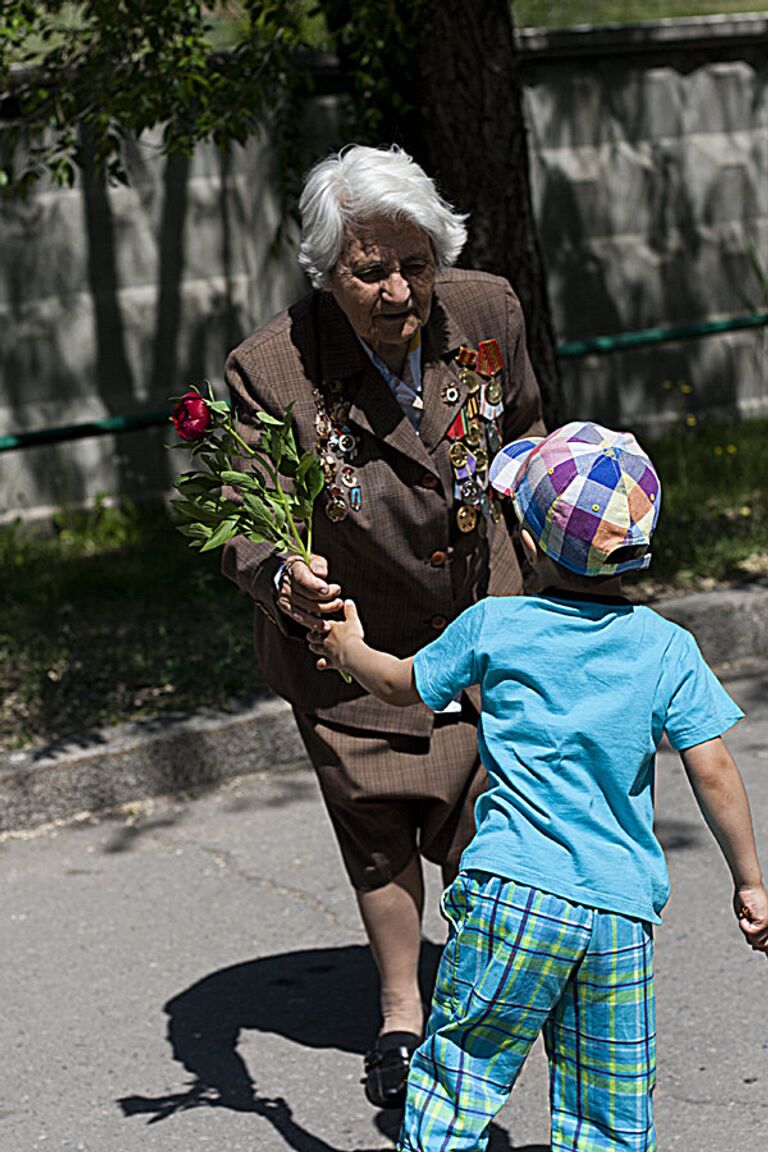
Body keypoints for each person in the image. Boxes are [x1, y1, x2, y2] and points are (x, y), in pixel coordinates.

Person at [307, 420, 768, 1151]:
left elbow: (400, 688)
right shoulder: (667, 649)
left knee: (461, 1073)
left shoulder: (496, 624)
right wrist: (750, 881)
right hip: (617, 914)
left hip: (513, 895)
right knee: (608, 1109)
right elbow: (712, 767)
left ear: (525, 541)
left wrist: (346, 646)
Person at [220, 143, 545, 1106]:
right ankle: (403, 1010)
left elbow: (524, 426)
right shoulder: (271, 368)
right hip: (352, 639)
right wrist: (283, 574)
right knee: (377, 827)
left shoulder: (487, 309)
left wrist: (552, 521)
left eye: (415, 263)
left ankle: (492, 990)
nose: (399, 290)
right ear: (327, 273)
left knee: (501, 817)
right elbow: (241, 510)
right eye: (371, 272)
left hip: (486, 617)